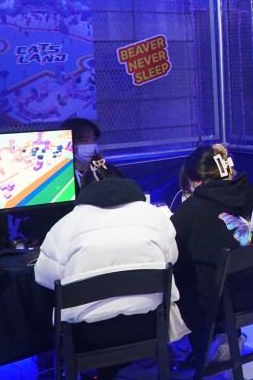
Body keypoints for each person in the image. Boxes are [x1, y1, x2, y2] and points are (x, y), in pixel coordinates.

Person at [34, 161, 187, 380]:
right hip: (149, 327)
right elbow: (171, 259)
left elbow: (44, 277)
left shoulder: (64, 226)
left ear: (84, 188)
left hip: (87, 337)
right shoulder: (156, 217)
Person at [170, 144, 253, 365]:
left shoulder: (191, 210)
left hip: (230, 302)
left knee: (180, 281)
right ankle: (223, 341)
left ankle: (206, 348)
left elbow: (175, 257)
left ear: (194, 180)